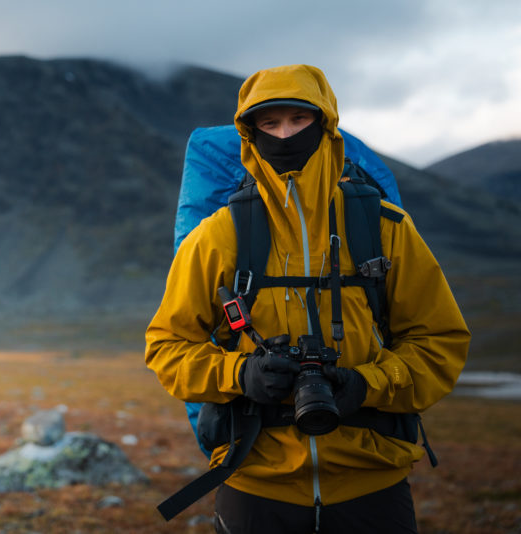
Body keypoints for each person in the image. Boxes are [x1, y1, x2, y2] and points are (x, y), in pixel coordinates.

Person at [144, 64, 470, 533]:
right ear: (249, 133)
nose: (285, 135)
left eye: (299, 120)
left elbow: (440, 341)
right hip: (255, 483)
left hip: (371, 483)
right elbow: (167, 348)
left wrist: (367, 385)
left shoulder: (384, 228)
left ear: (327, 124)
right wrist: (241, 374)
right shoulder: (216, 238)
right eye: (270, 124)